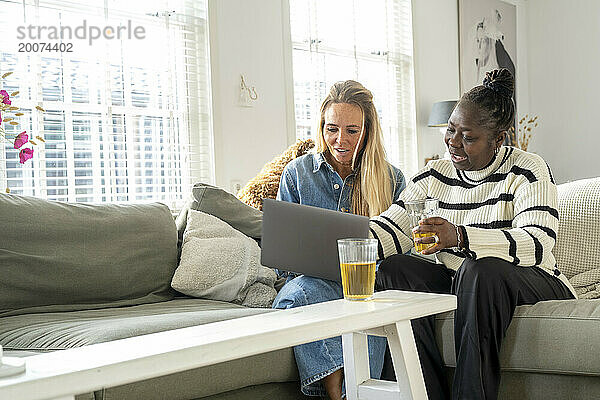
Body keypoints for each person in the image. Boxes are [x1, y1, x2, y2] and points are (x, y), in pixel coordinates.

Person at [370, 68, 576, 400]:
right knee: (395, 269)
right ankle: (422, 393)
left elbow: (537, 243)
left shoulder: (528, 168)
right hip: (462, 279)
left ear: (499, 139)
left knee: (480, 269)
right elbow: (391, 229)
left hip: (530, 278)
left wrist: (462, 237)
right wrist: (344, 240)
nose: (453, 142)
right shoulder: (432, 174)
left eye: (468, 136)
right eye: (450, 130)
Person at [272, 80, 406, 399]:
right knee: (292, 298)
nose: (340, 140)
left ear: (368, 131)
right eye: (332, 129)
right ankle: (339, 393)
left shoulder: (391, 179)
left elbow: (401, 248)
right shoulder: (297, 174)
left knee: (363, 312)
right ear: (322, 127)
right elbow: (284, 258)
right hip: (315, 282)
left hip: (369, 287)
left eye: (351, 130)